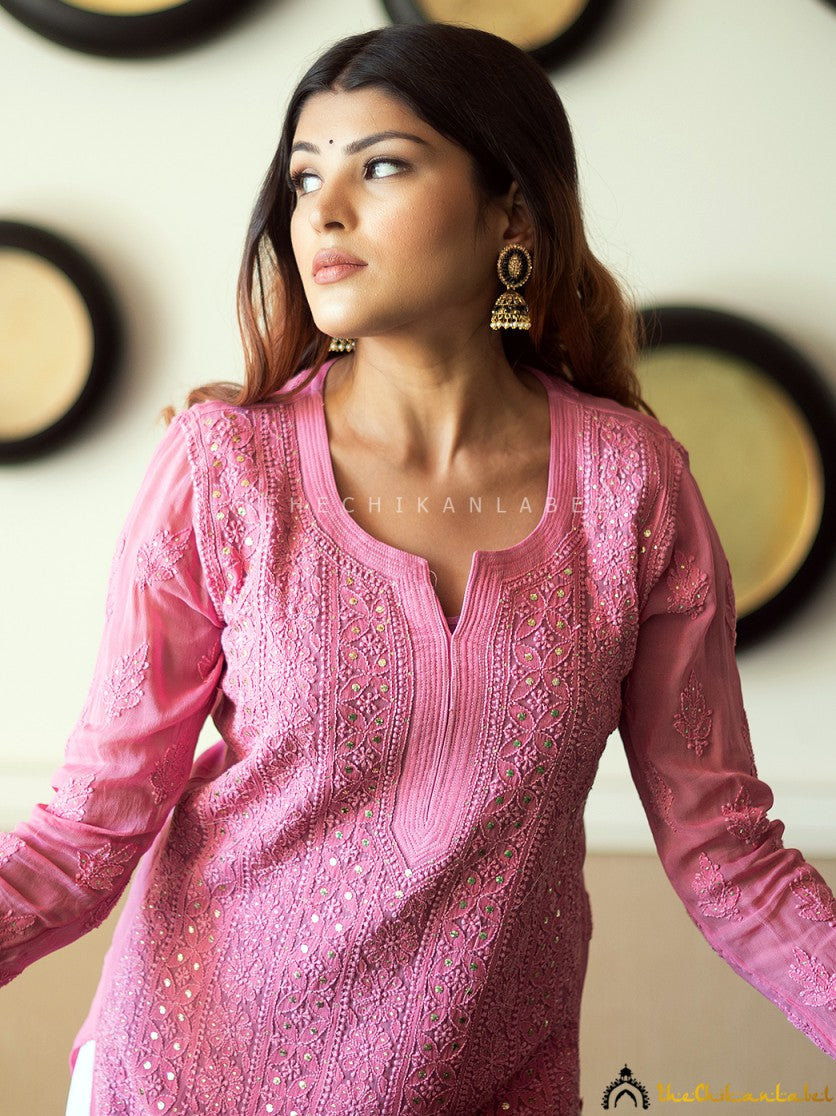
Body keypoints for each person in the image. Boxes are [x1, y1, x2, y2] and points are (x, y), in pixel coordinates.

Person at [2, 22, 834, 1116]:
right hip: (177, 1081)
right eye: (303, 179)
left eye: (379, 165)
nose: (324, 212)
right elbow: (88, 828)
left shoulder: (631, 487)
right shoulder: (225, 471)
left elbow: (724, 851)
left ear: (512, 214)